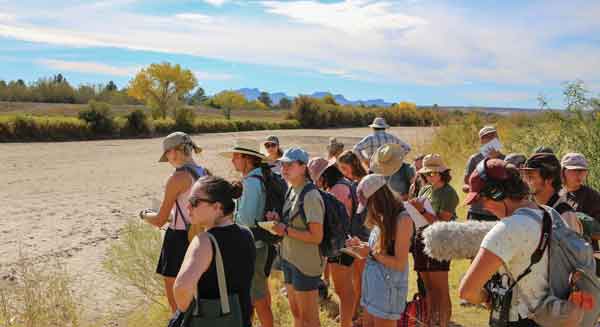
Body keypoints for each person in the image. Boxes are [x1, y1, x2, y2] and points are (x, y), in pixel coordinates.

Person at [459, 158, 548, 326]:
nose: (484, 207)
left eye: (482, 199)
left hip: (520, 320)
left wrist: (487, 297)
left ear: (496, 193)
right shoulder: (549, 216)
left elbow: (467, 291)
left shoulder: (507, 229)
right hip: (552, 317)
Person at [173, 176, 256, 327]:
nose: (188, 207)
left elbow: (181, 288)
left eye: (194, 202)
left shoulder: (205, 241)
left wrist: (186, 311)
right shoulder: (247, 234)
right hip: (240, 319)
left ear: (217, 207)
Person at [139, 132, 207, 313]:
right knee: (199, 295)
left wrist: (144, 215)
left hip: (178, 239)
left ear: (174, 152)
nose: (168, 159)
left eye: (167, 154)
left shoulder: (177, 178)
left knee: (177, 303)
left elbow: (160, 220)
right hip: (202, 237)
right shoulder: (205, 173)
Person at [345, 174, 414, 327]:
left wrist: (369, 252)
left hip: (387, 292)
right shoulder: (382, 218)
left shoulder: (403, 219)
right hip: (373, 288)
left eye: (369, 204)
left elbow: (399, 263)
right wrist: (360, 245)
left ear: (377, 198)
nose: (369, 210)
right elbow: (379, 250)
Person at [267, 147, 324, 327]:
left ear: (302, 167)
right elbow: (293, 222)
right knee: (297, 314)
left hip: (305, 264)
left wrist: (285, 230)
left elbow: (316, 237)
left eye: (289, 164)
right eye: (283, 164)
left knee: (310, 319)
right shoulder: (292, 190)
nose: (284, 168)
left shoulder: (311, 195)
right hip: (290, 259)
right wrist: (279, 221)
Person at [220, 139, 274, 327]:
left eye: (236, 156)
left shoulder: (250, 183)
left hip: (252, 247)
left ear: (247, 159)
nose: (232, 160)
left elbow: (246, 220)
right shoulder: (258, 178)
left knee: (257, 297)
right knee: (260, 294)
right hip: (258, 244)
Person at [409, 154, 458, 327]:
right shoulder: (425, 189)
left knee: (441, 290)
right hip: (421, 238)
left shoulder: (449, 193)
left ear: (442, 173)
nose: (429, 176)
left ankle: (443, 323)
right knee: (428, 288)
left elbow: (441, 223)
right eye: (426, 174)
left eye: (433, 173)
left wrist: (421, 210)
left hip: (440, 241)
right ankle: (431, 322)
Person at [308, 157, 355, 327]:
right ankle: (347, 320)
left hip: (341, 244)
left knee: (343, 289)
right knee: (345, 287)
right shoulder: (344, 183)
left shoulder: (337, 190)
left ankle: (346, 322)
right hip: (346, 241)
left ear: (323, 176)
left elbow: (339, 222)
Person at [335, 150, 370, 322]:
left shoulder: (363, 182)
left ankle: (360, 314)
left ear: (353, 164)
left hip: (362, 233)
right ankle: (354, 312)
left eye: (344, 167)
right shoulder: (352, 182)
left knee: (360, 276)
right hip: (354, 232)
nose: (342, 171)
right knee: (355, 276)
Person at [520, 153, 582, 234]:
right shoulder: (531, 209)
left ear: (549, 179)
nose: (525, 181)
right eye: (525, 176)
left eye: (530, 177)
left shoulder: (565, 215)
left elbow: (573, 246)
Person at [560, 153, 600, 273]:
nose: (579, 175)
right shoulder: (556, 195)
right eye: (574, 170)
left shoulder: (592, 196)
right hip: (561, 258)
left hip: (586, 260)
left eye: (582, 171)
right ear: (563, 172)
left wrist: (581, 222)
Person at [463, 125, 505, 221]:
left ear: (498, 139)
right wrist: (477, 190)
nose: (490, 141)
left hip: (499, 212)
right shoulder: (474, 159)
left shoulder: (505, 160)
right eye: (486, 138)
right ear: (481, 142)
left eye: (492, 138)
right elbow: (465, 185)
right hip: (476, 211)